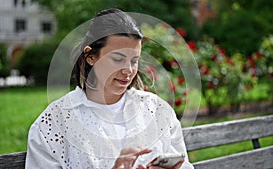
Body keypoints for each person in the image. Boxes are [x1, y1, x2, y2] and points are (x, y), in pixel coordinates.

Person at [25, 8, 194, 169]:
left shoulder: (157, 110)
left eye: (134, 61)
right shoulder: (54, 123)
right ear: (90, 56)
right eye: (118, 59)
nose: (128, 70)